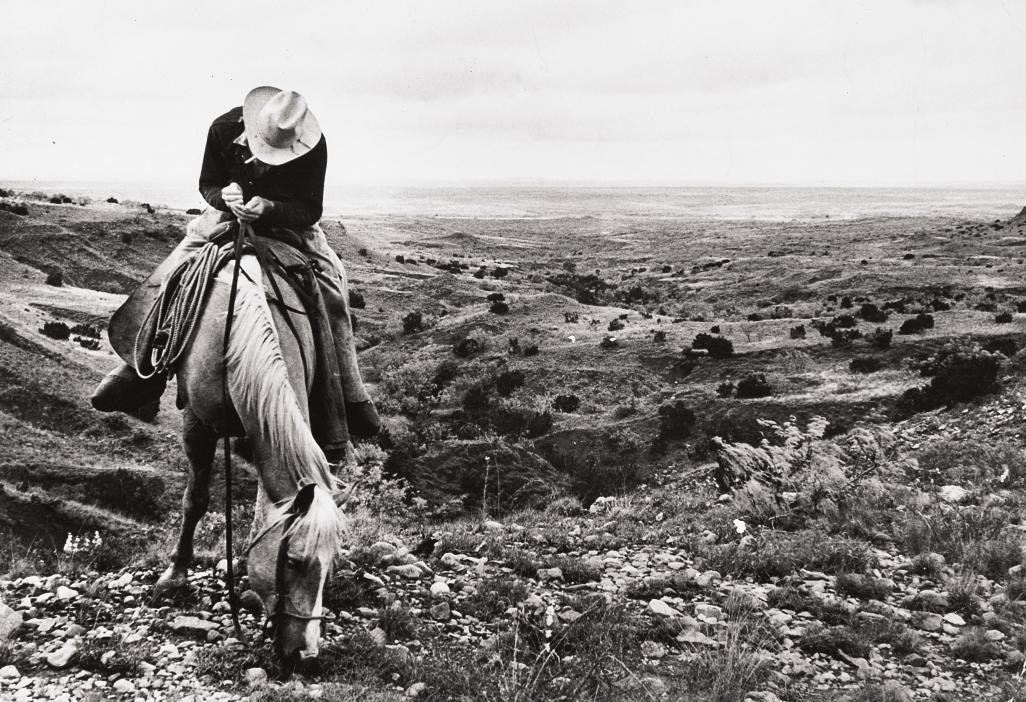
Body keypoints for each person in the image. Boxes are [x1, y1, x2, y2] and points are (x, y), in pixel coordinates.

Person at [90, 86, 380, 441]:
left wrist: (270, 208)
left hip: (290, 227)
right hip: (225, 217)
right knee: (174, 268)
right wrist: (224, 197)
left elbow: (310, 208)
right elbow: (207, 184)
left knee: (333, 284)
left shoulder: (313, 146)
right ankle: (139, 367)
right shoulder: (222, 129)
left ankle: (350, 391)